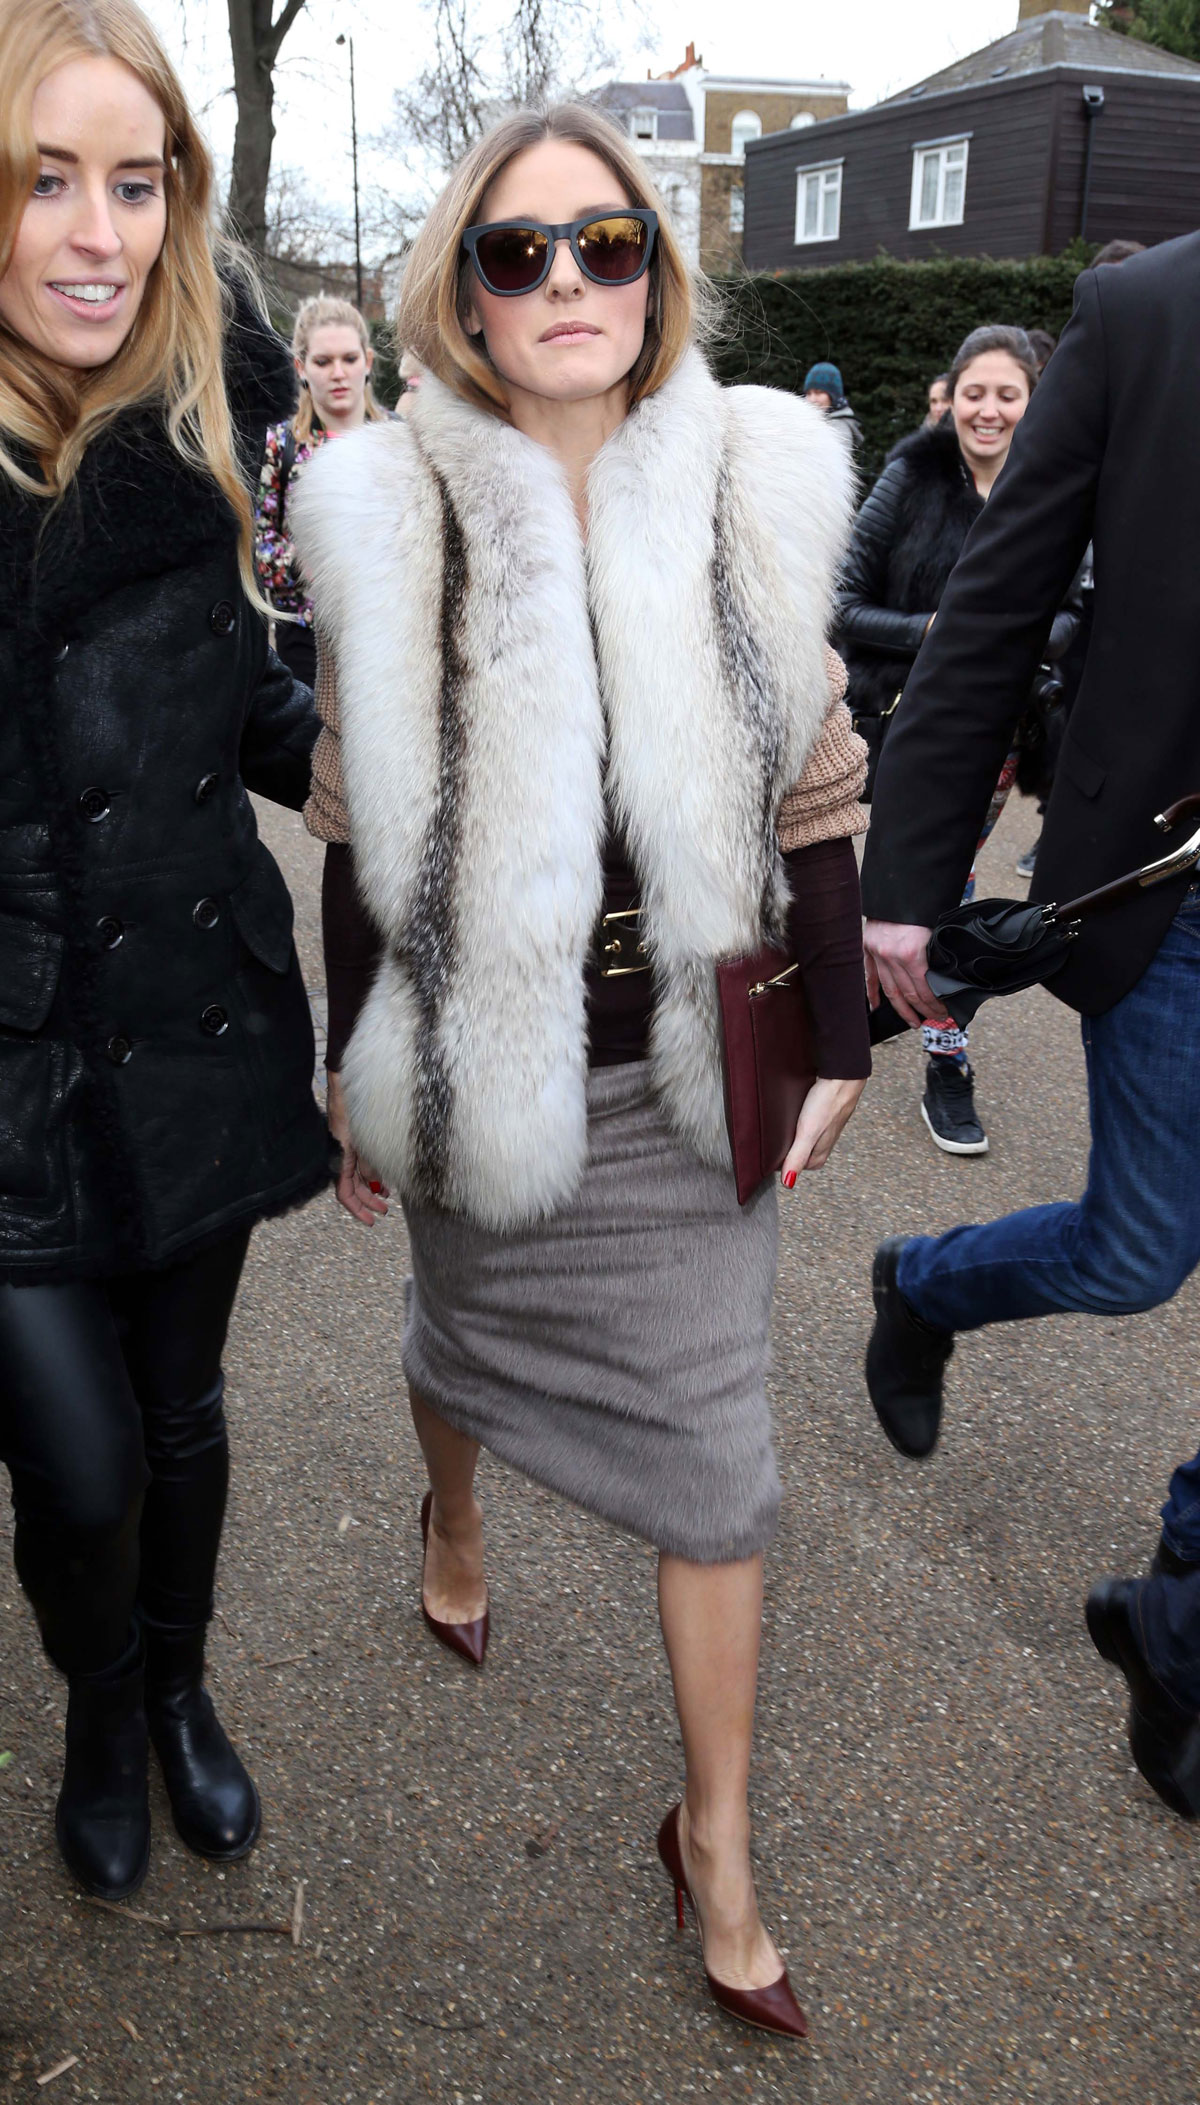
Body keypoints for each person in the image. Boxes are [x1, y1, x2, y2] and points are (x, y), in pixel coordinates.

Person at [294, 102, 871, 2038]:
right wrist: (351, 1060)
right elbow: (353, 822)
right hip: (477, 1056)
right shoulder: (385, 506)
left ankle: (715, 1837)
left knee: (724, 1462)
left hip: (691, 1064)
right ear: (460, 284)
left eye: (604, 245)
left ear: (656, 269)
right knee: (456, 1346)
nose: (566, 282)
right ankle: (450, 1514)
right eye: (519, 251)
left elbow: (817, 772)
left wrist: (846, 1037)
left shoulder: (755, 479)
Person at [0, 0, 330, 1902]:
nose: (97, 233)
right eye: (48, 181)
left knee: (186, 1413)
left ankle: (177, 1701)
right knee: (81, 1462)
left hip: (192, 1017)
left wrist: (374, 757)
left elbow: (235, 712)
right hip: (16, 1063)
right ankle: (93, 1695)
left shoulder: (203, 432)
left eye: (136, 183)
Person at [860, 233, 1200, 1820]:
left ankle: (1180, 1618)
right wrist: (906, 884)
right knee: (1141, 1251)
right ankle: (921, 1285)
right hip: (1171, 886)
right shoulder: (1145, 316)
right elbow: (993, 610)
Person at [838, 324, 1079, 1156]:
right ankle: (821, 1009)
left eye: (1007, 394)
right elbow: (841, 600)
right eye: (974, 391)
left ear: (1034, 401)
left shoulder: (1060, 485)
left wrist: (1013, 640)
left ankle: (945, 1052)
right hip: (885, 719)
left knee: (946, 896)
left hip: (996, 731)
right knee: (848, 882)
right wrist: (935, 631)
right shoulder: (910, 473)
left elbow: (1079, 610)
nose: (987, 409)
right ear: (952, 396)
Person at [253, 293, 385, 690]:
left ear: (368, 362)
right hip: (306, 637)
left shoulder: (398, 439)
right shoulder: (278, 446)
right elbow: (254, 543)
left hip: (387, 631)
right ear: (302, 367)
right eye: (323, 362)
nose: (338, 373)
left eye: (349, 359)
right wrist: (302, 565)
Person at [802, 359, 862, 450]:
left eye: (819, 393)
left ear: (833, 396)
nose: (812, 399)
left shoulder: (839, 427)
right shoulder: (811, 422)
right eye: (809, 394)